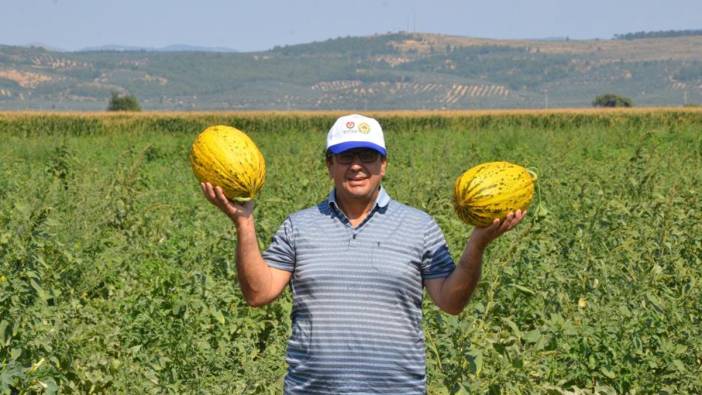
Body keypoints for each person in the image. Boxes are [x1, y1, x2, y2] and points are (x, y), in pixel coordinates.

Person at [200, 114, 525, 394]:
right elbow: (258, 293)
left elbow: (451, 302)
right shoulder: (298, 227)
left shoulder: (419, 226)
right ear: (330, 165)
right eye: (345, 157)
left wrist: (477, 244)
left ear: (383, 165)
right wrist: (244, 223)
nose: (356, 166)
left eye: (367, 156)